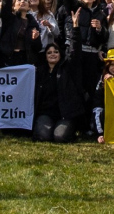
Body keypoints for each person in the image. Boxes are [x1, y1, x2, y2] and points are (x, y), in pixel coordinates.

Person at [33, 9, 86, 143]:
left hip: (65, 113)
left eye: (56, 52)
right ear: (45, 56)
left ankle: (71, 128)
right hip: (45, 113)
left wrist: (75, 28)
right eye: (49, 52)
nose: (52, 54)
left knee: (60, 137)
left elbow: (75, 52)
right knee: (44, 136)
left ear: (60, 54)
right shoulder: (39, 71)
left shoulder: (67, 68)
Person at [0, 0, 42, 68]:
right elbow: (6, 1)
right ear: (14, 6)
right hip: (8, 58)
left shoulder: (33, 23)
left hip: (24, 60)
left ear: (28, 7)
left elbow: (38, 47)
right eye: (19, 0)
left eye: (25, 1)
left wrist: (35, 38)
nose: (22, 2)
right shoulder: (9, 18)